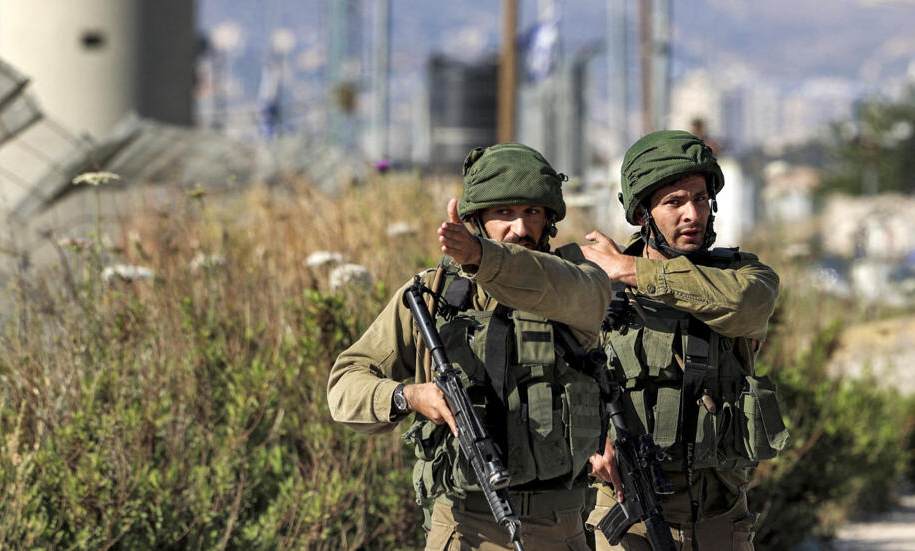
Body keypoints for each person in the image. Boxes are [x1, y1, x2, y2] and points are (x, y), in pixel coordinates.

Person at [327, 143, 613, 550]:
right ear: (477, 219)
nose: (519, 228)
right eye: (503, 213)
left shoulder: (578, 280)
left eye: (532, 212)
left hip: (556, 526)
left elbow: (563, 290)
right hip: (462, 527)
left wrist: (484, 257)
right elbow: (344, 385)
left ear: (549, 218)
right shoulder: (432, 295)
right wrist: (410, 396)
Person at [581, 130, 788, 550]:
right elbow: (552, 376)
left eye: (699, 198)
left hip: (718, 517)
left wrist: (631, 270)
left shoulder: (744, 277)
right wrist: (591, 441)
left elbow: (747, 305)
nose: (692, 213)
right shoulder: (596, 285)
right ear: (642, 214)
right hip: (627, 513)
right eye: (674, 202)